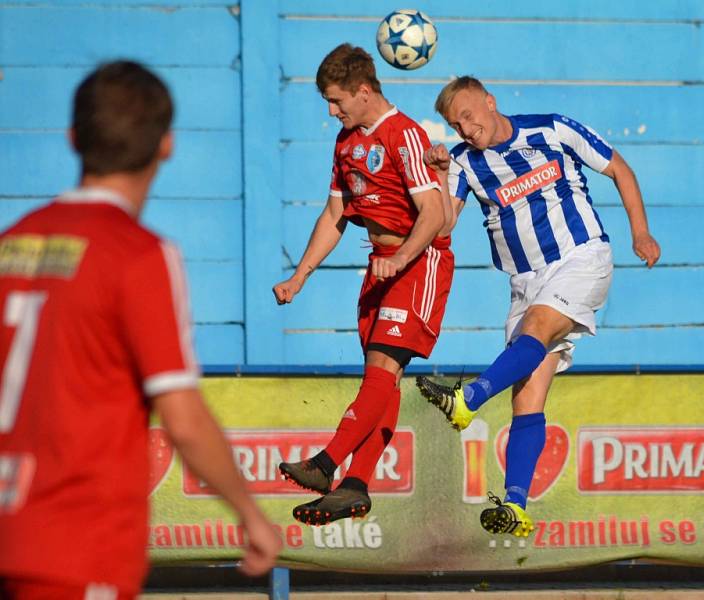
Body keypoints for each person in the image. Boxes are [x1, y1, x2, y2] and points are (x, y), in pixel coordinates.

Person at [0, 61, 282, 599]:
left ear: (73, 137)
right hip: (79, 547)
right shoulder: (138, 255)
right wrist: (249, 513)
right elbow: (182, 416)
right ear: (167, 145)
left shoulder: (11, 242)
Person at [416, 76, 661, 537]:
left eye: (469, 115)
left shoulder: (551, 131)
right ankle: (516, 506)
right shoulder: (464, 163)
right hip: (525, 282)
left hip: (580, 257)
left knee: (537, 327)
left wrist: (640, 232)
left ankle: (467, 399)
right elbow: (443, 223)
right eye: (455, 124)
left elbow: (620, 170)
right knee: (526, 395)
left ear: (490, 102)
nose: (466, 129)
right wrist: (435, 173)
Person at [273, 44, 453, 526]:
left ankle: (325, 464)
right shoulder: (346, 142)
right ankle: (355, 487)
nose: (332, 112)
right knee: (384, 383)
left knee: (379, 371)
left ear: (364, 91)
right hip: (381, 267)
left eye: (337, 101)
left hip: (418, 263)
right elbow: (335, 215)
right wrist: (300, 276)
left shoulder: (405, 135)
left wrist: (399, 259)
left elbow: (434, 214)